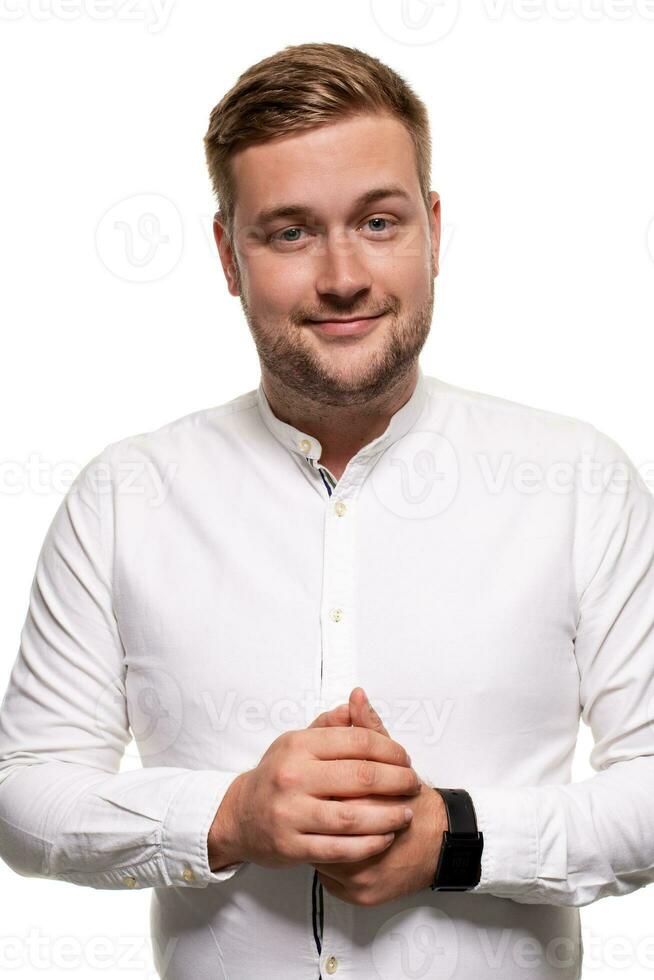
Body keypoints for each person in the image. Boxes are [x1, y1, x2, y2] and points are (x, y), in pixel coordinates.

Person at [1, 41, 653, 980]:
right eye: (291, 232)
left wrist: (456, 839)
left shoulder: (579, 482)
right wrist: (225, 817)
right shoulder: (122, 498)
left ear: (432, 227)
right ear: (229, 254)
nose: (343, 275)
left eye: (379, 222)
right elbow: (25, 794)